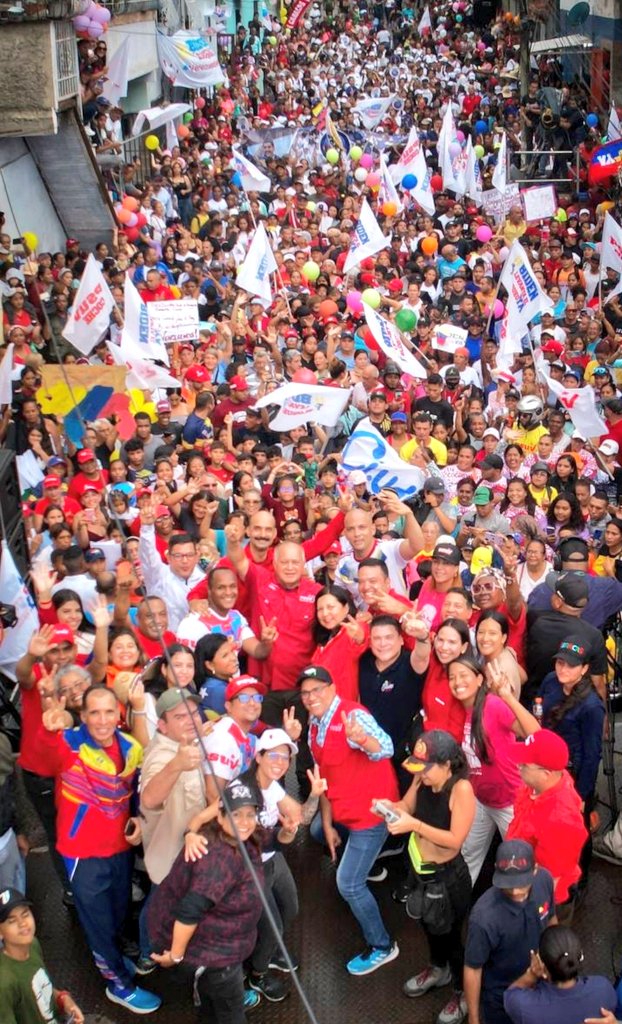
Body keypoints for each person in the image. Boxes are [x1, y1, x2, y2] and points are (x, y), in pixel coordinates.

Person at [37, 685, 161, 1014]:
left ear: (119, 714)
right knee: (98, 923)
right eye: (94, 712)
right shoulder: (68, 744)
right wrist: (48, 722)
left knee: (119, 911)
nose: (102, 719)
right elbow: (43, 755)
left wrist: (138, 819)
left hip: (120, 848)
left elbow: (136, 793)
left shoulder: (130, 747)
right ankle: (118, 985)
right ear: (82, 716)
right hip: (82, 854)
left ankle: (114, 958)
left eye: (109, 711)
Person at [300, 665, 400, 977]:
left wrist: (363, 739)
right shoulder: (314, 724)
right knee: (317, 830)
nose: (311, 696)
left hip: (370, 814)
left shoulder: (353, 716)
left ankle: (383, 946)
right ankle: (362, 859)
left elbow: (386, 748)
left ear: (332, 688)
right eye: (305, 692)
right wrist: (328, 825)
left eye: (317, 689)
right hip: (342, 808)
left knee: (349, 884)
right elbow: (325, 778)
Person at [376, 730, 476, 1024]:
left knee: (454, 938)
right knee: (429, 928)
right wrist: (390, 808)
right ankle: (437, 969)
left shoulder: (462, 790)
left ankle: (461, 993)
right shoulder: (422, 777)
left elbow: (455, 839)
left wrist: (413, 824)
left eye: (427, 768)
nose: (422, 774)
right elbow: (407, 806)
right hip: (420, 872)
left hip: (449, 879)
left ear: (446, 764)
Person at [149, 779, 265, 1022]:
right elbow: (189, 911)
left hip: (222, 944)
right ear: (220, 818)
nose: (243, 822)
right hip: (214, 956)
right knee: (231, 1013)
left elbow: (271, 838)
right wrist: (176, 956)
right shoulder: (218, 860)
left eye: (249, 814)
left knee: (212, 1008)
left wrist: (288, 831)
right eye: (235, 814)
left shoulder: (243, 836)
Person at [447, 655, 540, 886]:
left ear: (480, 680)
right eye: (452, 677)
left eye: (464, 675)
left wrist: (507, 696)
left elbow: (535, 734)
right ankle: (458, 912)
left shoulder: (493, 705)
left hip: (510, 802)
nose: (457, 681)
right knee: (468, 857)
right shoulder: (461, 711)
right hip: (480, 800)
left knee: (520, 864)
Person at [463, 839, 557, 1024]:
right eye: (508, 884)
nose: (515, 891)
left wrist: (556, 963)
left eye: (521, 883)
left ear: (535, 870)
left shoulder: (545, 880)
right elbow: (473, 969)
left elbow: (552, 920)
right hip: (501, 995)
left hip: (543, 984)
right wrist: (474, 1018)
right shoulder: (483, 918)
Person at [506, 729, 588, 913]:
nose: (518, 766)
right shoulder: (539, 785)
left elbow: (549, 877)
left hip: (543, 897)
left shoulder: (560, 820)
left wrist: (526, 906)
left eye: (524, 765)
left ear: (546, 773)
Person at [0, 887, 85, 1024]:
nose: (22, 923)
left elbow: (40, 990)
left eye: (25, 914)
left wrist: (64, 1000)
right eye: (12, 921)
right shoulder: (4, 982)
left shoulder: (33, 945)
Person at [504, 924, 617, 1024]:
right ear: (580, 956)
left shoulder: (524, 1007)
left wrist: (532, 974)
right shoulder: (602, 989)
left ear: (542, 967)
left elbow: (511, 994)